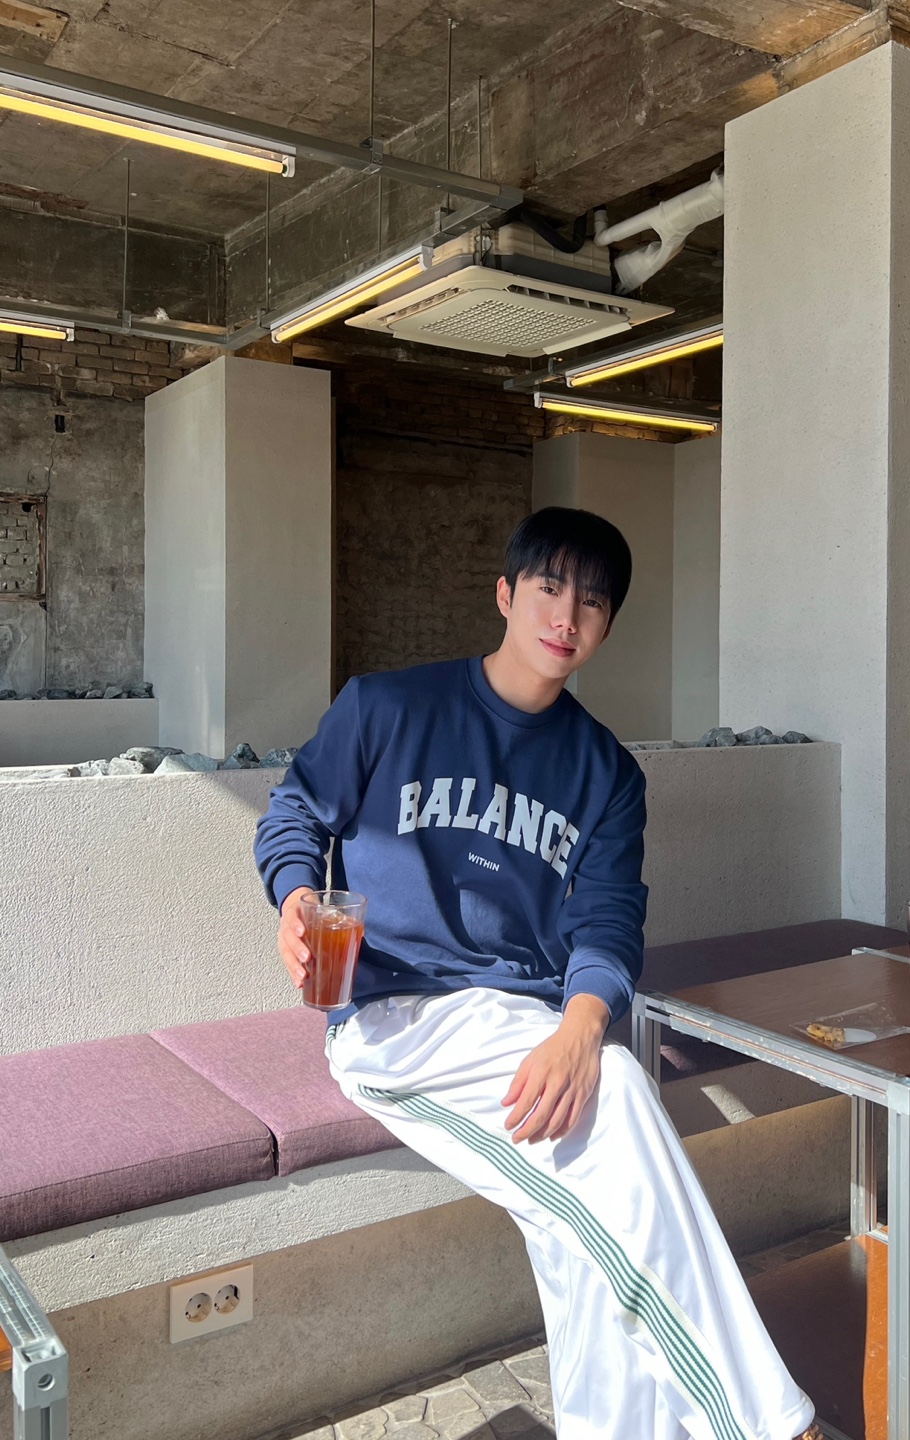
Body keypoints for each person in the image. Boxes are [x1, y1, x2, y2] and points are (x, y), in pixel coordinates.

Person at [254, 506, 819, 1440]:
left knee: (579, 1230)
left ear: (607, 625)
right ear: (506, 594)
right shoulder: (387, 708)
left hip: (526, 1022)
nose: (567, 615)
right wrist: (296, 899)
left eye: (592, 601)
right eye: (550, 587)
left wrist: (580, 1028)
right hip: (397, 1021)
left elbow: (609, 918)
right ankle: (763, 1422)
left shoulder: (606, 773)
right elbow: (294, 815)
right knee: (623, 1099)